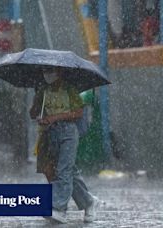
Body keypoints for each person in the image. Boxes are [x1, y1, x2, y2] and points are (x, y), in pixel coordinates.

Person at [29, 68, 98, 224]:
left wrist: (55, 117)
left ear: (59, 72)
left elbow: (78, 112)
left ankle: (59, 208)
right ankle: (88, 201)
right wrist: (36, 108)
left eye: (51, 71)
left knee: (64, 169)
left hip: (68, 133)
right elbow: (33, 113)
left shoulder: (69, 90)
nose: (48, 74)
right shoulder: (43, 91)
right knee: (63, 171)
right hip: (49, 134)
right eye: (45, 71)